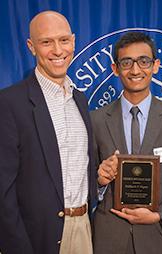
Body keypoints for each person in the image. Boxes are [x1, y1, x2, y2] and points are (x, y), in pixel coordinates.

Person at [90, 31, 162, 254]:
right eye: (126, 62)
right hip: (110, 239)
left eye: (143, 61)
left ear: (156, 65)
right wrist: (99, 181)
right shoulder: (95, 120)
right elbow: (81, 183)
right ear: (115, 68)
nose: (135, 70)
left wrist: (161, 215)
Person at [0, 11, 96, 254]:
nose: (57, 50)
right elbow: (3, 192)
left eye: (64, 40)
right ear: (31, 47)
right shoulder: (10, 103)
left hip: (85, 229)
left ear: (73, 41)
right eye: (46, 42)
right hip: (37, 238)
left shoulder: (80, 100)